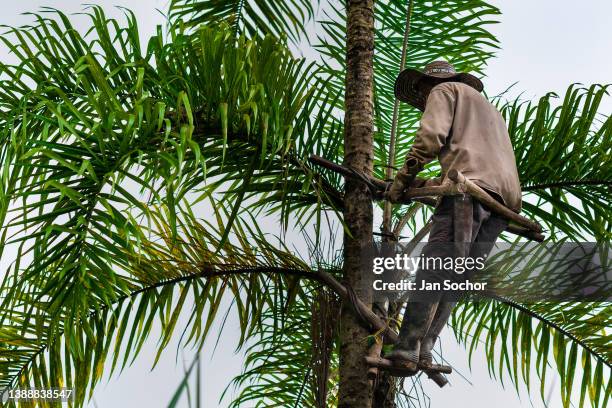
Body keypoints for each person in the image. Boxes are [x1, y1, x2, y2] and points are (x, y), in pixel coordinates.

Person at [384, 60, 522, 371]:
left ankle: (407, 347)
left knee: (437, 264)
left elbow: (430, 138)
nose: (421, 101)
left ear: (425, 84)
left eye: (420, 93)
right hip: (503, 202)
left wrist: (403, 180)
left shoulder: (443, 90)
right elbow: (480, 160)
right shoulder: (489, 109)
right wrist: (429, 184)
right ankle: (425, 347)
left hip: (468, 192)